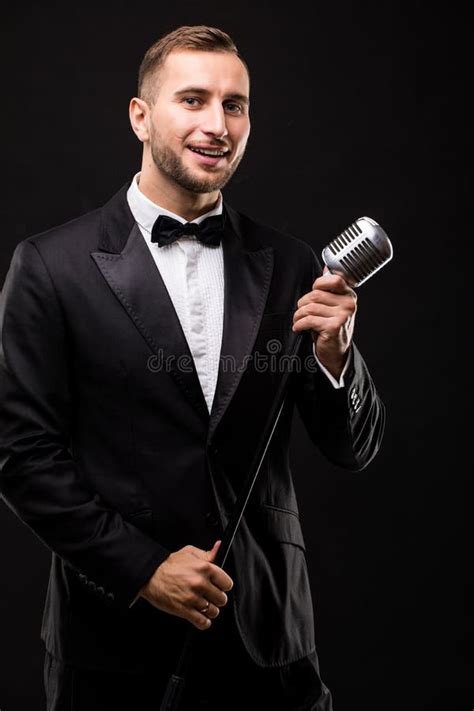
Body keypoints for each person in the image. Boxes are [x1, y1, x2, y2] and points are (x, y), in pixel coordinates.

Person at [0, 24, 385, 711]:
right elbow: (20, 455)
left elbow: (351, 449)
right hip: (112, 643)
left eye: (234, 105)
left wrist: (337, 358)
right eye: (194, 100)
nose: (218, 124)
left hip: (272, 643)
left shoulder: (294, 265)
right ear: (140, 116)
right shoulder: (49, 266)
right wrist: (145, 568)